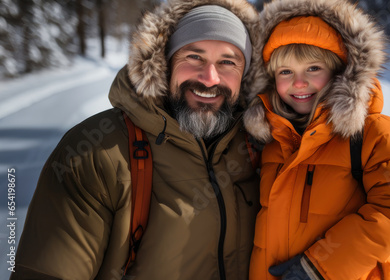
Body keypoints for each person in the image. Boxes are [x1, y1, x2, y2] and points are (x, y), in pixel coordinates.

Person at [12, 0, 263, 279]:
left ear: (246, 75)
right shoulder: (96, 153)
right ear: (163, 63)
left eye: (228, 62)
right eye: (194, 57)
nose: (209, 78)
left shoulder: (264, 147)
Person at [243, 0, 390, 279]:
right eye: (285, 72)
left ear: (339, 71)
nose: (299, 83)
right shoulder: (271, 139)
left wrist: (318, 269)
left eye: (313, 68)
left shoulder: (373, 134)